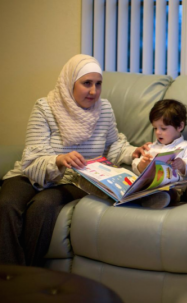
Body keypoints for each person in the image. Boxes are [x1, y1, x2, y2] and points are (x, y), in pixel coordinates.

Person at [0, 54, 149, 266]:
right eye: (86, 83)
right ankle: (7, 279)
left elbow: (114, 146)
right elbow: (32, 158)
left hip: (74, 179)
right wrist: (59, 159)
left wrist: (134, 152)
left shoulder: (104, 109)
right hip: (31, 173)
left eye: (98, 84)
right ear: (70, 82)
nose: (93, 91)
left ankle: (26, 277)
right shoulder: (45, 107)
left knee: (43, 206)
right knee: (6, 204)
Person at [131, 99, 187, 209]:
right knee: (132, 182)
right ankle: (132, 195)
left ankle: (157, 199)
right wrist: (141, 166)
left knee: (175, 191)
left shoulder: (186, 147)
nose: (158, 132)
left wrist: (183, 165)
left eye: (163, 128)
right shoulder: (152, 147)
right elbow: (136, 163)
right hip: (149, 186)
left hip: (173, 187)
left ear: (180, 127)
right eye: (155, 128)